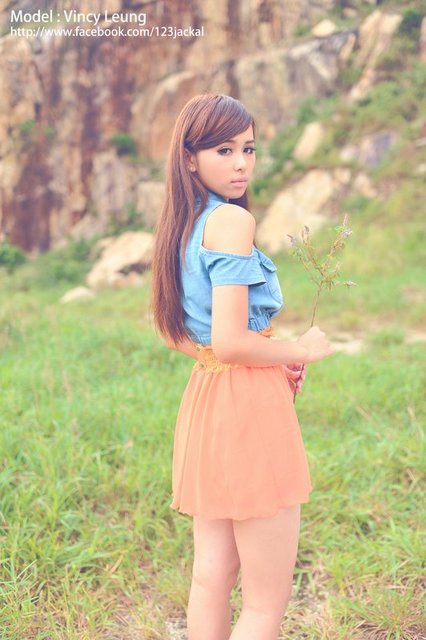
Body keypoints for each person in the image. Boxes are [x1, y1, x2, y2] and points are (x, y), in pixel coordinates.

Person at [151, 94, 333, 640]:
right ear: (189, 157)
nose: (241, 164)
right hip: (248, 407)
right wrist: (300, 349)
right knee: (264, 602)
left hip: (207, 398)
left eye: (248, 149)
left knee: (211, 577)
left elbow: (176, 333)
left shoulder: (183, 224)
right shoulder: (231, 220)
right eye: (224, 150)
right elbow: (232, 342)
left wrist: (267, 360)